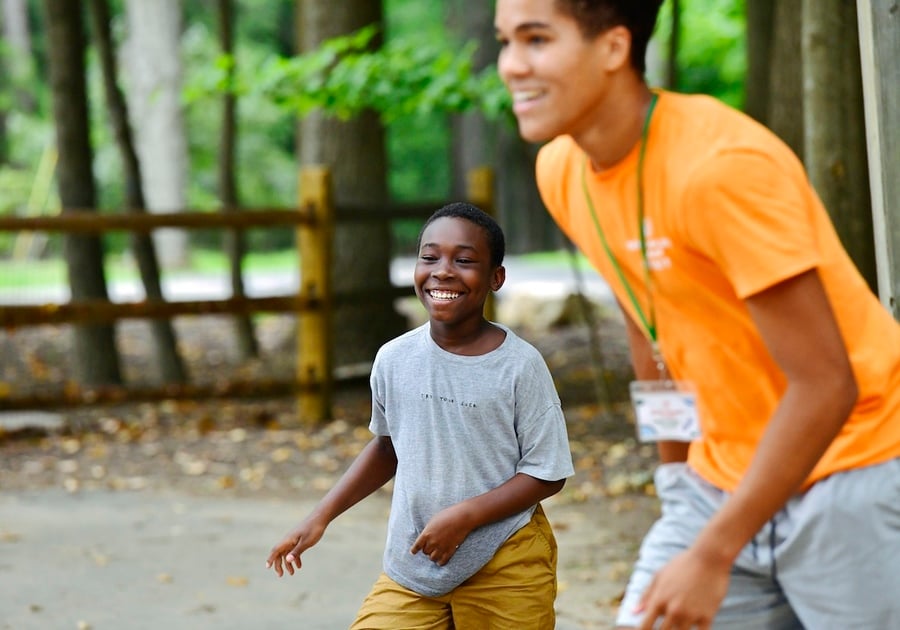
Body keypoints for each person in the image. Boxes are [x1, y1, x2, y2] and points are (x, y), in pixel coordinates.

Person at [495, 1, 900, 629]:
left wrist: (713, 551)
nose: (512, 66)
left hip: (858, 470)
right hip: (718, 481)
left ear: (613, 48)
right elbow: (645, 319)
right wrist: (679, 480)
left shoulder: (720, 169)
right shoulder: (562, 169)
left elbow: (828, 384)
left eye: (537, 39)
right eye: (505, 41)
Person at [266, 202, 575, 629]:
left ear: (495, 278)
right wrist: (319, 516)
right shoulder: (393, 359)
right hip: (415, 564)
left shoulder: (519, 366)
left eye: (464, 261)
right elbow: (388, 446)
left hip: (507, 560)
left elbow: (548, 472)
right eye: (430, 257)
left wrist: (464, 516)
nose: (443, 271)